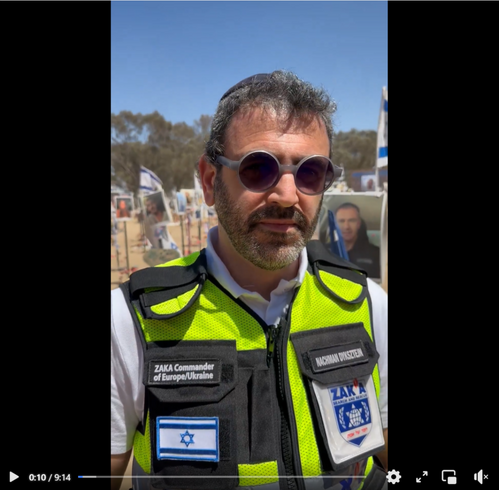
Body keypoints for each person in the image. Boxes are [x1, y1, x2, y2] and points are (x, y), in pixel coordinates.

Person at [111, 71, 388, 490]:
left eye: (311, 172)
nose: (288, 196)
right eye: (258, 168)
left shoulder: (367, 304)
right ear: (210, 181)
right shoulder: (131, 321)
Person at [335, 202, 381, 279]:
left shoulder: (376, 254)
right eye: (342, 221)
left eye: (351, 221)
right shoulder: (325, 251)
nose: (346, 227)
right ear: (335, 225)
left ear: (358, 224)